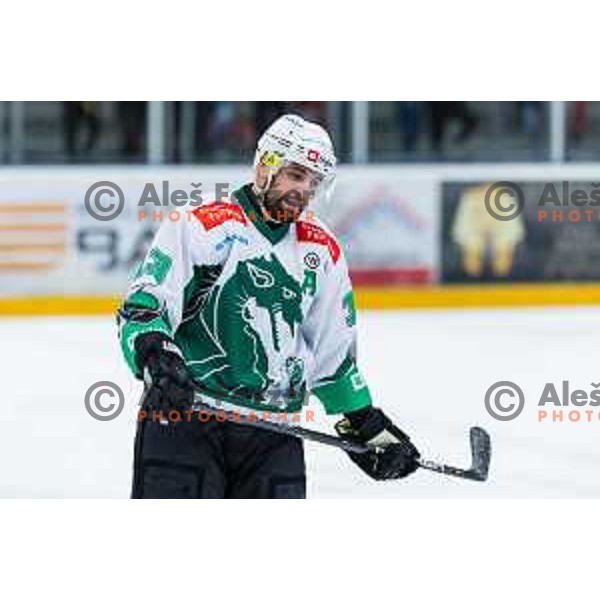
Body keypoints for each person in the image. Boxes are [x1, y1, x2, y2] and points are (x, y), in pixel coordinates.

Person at [117, 114, 420, 498]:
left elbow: (333, 352)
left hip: (274, 434)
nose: (303, 191)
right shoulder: (202, 226)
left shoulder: (320, 250)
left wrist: (364, 422)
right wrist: (156, 355)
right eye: (295, 175)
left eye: (313, 182)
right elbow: (145, 306)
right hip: (185, 420)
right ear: (264, 167)